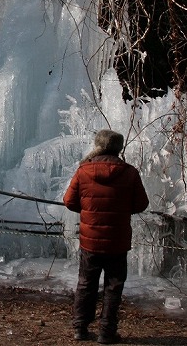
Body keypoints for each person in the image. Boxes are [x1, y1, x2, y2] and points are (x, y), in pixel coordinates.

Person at [63, 129, 149, 344]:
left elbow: (69, 201)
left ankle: (80, 328)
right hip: (117, 241)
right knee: (113, 286)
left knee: (85, 283)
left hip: (90, 240)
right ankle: (106, 332)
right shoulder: (129, 172)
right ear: (119, 148)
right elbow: (141, 204)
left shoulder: (83, 170)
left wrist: (89, 211)